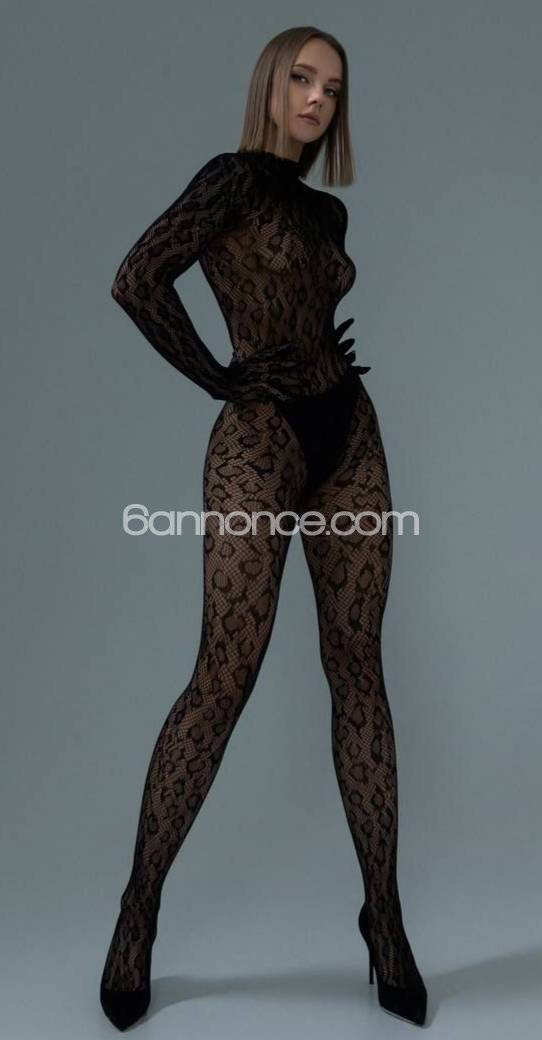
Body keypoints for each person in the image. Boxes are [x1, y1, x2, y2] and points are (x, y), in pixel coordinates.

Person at [99, 25, 428, 1030]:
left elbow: (303, 302)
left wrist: (320, 352)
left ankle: (383, 918)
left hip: (349, 432)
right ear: (270, 83)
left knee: (359, 669)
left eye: (333, 87)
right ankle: (137, 912)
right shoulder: (229, 180)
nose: (318, 99)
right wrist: (219, 376)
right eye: (302, 77)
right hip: (258, 440)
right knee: (222, 677)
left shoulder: (325, 207)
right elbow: (136, 279)